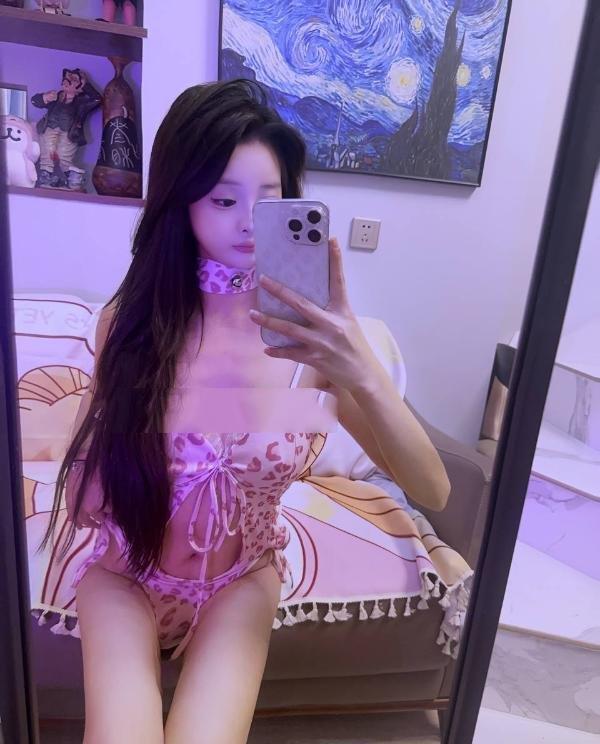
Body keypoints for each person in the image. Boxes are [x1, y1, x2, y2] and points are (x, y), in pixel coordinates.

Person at [39, 78, 450, 744]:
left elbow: (432, 487)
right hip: (124, 571)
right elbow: (87, 490)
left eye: (270, 202)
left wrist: (359, 367)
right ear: (181, 202)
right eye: (224, 199)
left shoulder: (315, 345)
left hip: (240, 580)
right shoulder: (131, 326)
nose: (248, 223)